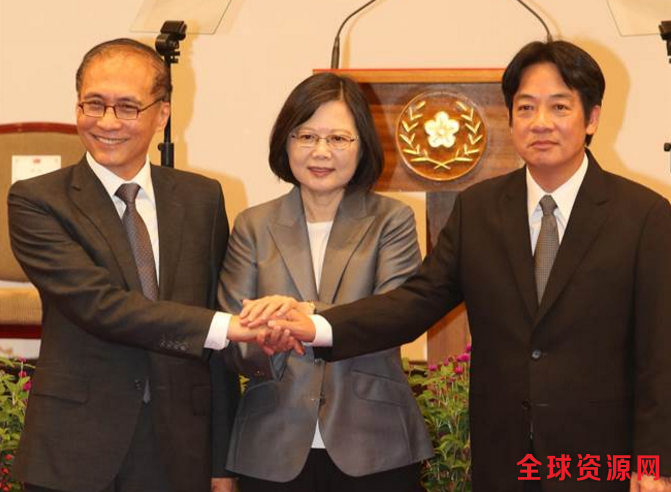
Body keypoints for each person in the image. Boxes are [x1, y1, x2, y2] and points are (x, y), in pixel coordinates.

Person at [267, 41, 671, 492]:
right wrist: (317, 325)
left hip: (604, 464)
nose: (540, 122)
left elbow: (661, 354)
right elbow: (415, 302)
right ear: (511, 117)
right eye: (526, 107)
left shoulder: (644, 216)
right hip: (505, 460)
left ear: (591, 118)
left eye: (559, 106)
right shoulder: (479, 210)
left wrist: (655, 463)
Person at [7, 38, 261, 492]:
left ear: (161, 114)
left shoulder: (201, 199)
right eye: (94, 104)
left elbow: (215, 344)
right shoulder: (37, 200)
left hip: (178, 448)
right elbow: (99, 305)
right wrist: (228, 326)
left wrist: (222, 463)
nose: (107, 122)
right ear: (77, 105)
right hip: (75, 448)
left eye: (127, 107)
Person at [211, 72, 433, 492]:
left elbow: (395, 316)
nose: (321, 151)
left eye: (338, 138)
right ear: (286, 141)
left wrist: (305, 317)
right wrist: (265, 341)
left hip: (375, 443)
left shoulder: (392, 220)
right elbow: (232, 336)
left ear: (362, 145)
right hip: (271, 445)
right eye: (306, 136)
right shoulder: (253, 226)